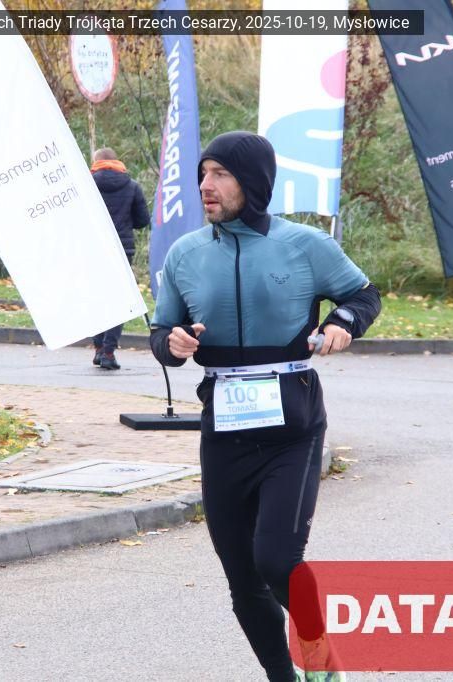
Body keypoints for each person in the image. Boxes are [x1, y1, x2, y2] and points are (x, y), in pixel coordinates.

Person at [149, 132, 381, 682]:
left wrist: (342, 323)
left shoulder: (304, 245)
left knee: (276, 560)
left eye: (220, 174)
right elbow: (162, 331)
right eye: (203, 173)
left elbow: (363, 295)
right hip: (223, 429)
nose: (206, 185)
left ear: (251, 183)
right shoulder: (185, 254)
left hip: (292, 427)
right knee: (242, 578)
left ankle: (320, 660)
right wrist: (172, 344)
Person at [89, 147, 151, 370]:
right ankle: (109, 352)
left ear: (96, 161)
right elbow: (142, 220)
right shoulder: (132, 186)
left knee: (97, 297)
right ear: (117, 162)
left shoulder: (87, 185)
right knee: (118, 300)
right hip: (122, 249)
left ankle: (98, 348)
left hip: (94, 249)